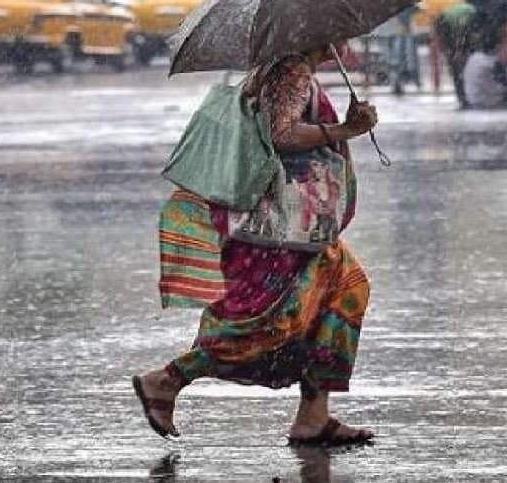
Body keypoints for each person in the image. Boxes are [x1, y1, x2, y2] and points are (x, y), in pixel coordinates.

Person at [133, 44, 379, 446]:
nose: (349, 37)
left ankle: (314, 415)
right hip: (279, 229)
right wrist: (344, 131)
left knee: (344, 291)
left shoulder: (286, 69)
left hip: (294, 229)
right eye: (343, 29)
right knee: (269, 324)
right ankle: (166, 379)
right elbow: (280, 134)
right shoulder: (292, 69)